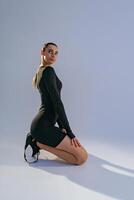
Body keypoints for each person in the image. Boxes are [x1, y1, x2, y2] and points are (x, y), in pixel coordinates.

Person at [24, 42, 88, 165]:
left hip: (43, 126)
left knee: (81, 157)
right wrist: (69, 132)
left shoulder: (42, 71)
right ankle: (37, 143)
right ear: (42, 52)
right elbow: (57, 103)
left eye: (56, 53)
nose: (53, 55)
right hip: (43, 127)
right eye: (50, 51)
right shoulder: (48, 71)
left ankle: (37, 141)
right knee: (82, 158)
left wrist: (61, 126)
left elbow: (53, 104)